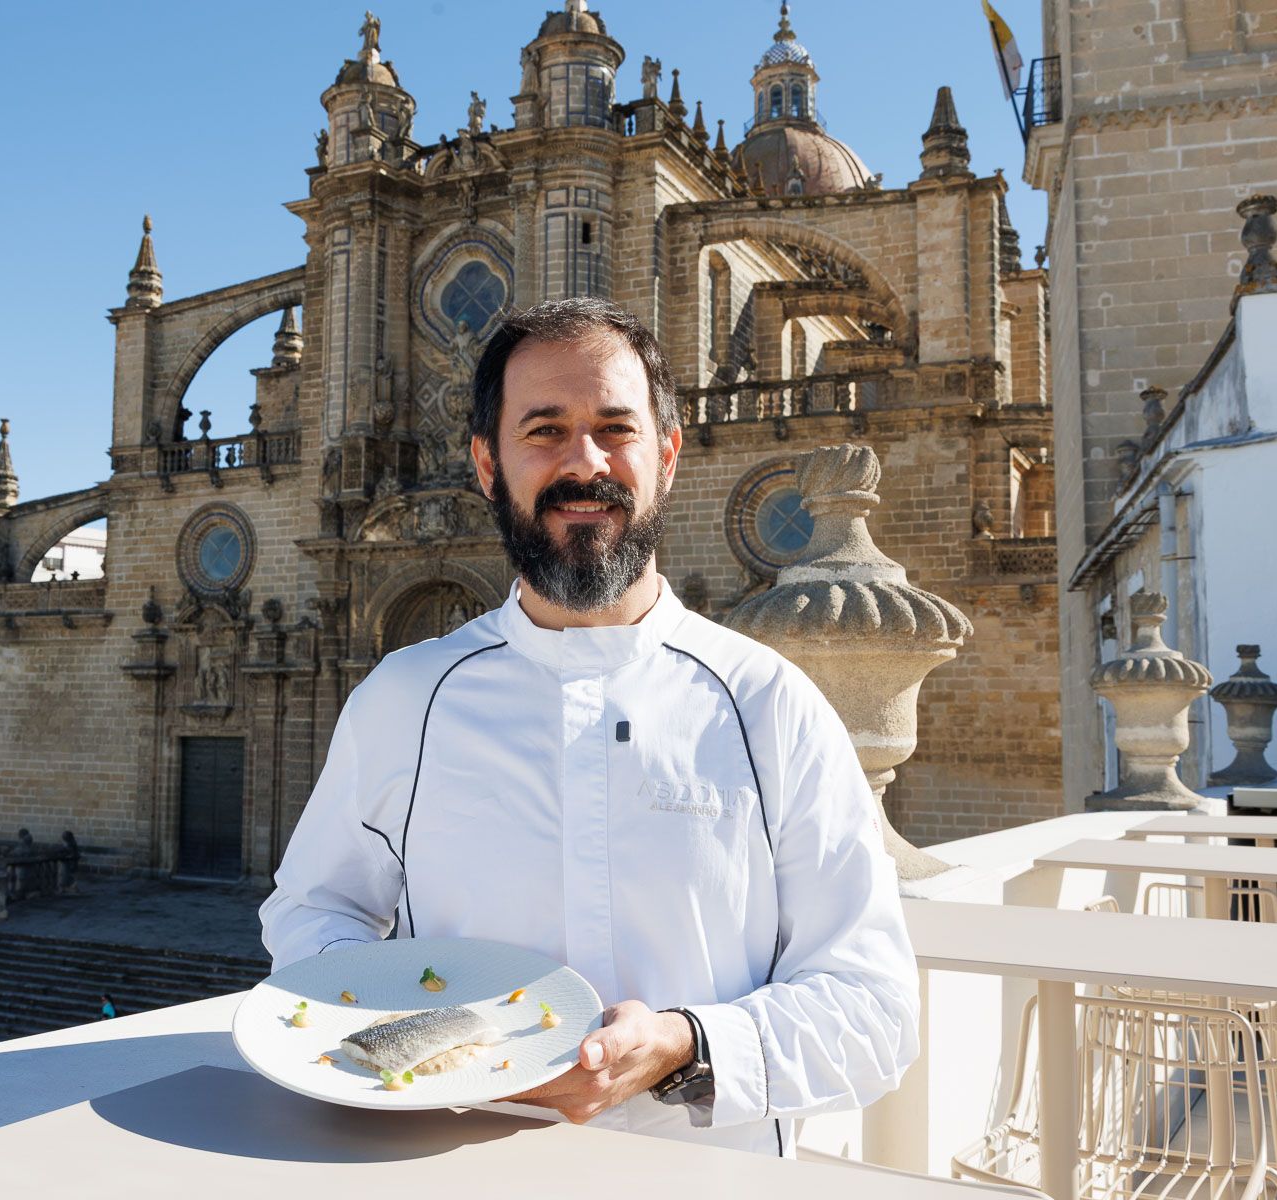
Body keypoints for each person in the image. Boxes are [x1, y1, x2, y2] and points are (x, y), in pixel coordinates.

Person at [260, 298, 920, 1158]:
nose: (585, 462)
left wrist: (686, 1047)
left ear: (668, 457)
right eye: (544, 430)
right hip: (442, 1168)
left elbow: (874, 1009)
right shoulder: (405, 697)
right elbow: (315, 915)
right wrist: (422, 1036)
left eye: (616, 428)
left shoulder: (769, 704)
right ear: (488, 465)